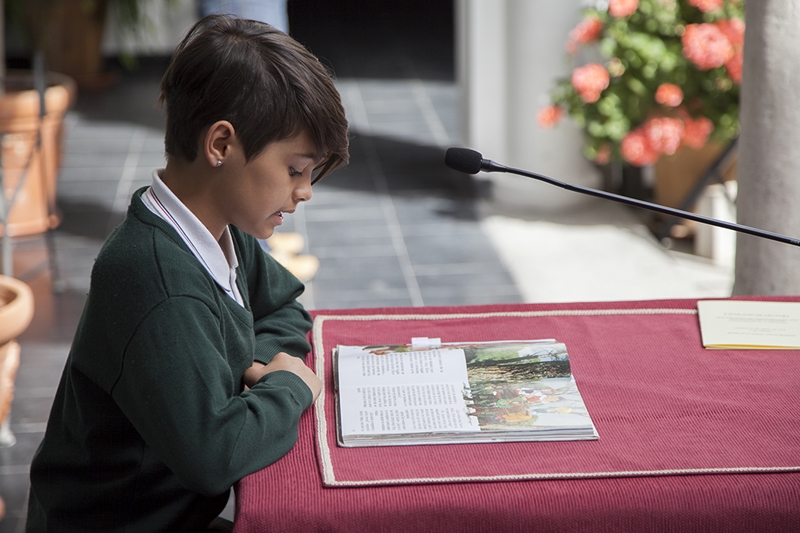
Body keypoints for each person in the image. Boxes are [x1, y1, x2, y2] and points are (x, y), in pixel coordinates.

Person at [26, 14, 349, 532]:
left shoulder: (222, 226)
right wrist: (288, 387)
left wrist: (261, 363)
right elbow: (213, 456)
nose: (305, 190)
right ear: (221, 145)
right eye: (295, 169)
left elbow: (284, 306)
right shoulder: (156, 280)